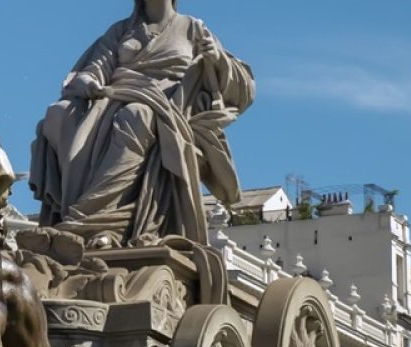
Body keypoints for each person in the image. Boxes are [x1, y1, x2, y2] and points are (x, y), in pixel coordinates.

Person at [30, 0, 255, 249]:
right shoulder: (122, 29)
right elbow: (96, 67)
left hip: (166, 106)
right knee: (59, 114)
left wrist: (218, 59)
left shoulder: (193, 28)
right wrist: (88, 81)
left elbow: (243, 88)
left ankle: (94, 221)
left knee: (135, 114)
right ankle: (71, 210)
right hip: (115, 96)